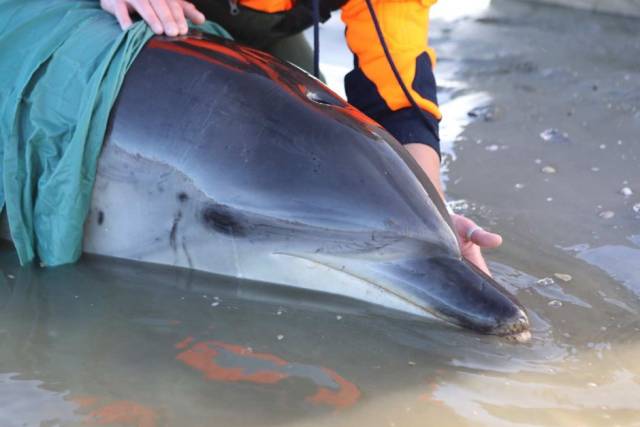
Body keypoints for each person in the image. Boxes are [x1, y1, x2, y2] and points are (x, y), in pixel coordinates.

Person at [99, 0, 503, 276]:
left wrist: (432, 226)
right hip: (119, 12)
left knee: (322, 152)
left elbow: (397, 95)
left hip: (254, 26)